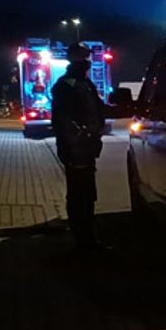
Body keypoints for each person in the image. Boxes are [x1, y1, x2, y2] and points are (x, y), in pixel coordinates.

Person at [51, 41, 108, 252]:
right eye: (81, 57)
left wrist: (128, 108)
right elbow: (62, 120)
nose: (86, 61)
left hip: (87, 149)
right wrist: (76, 144)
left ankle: (88, 238)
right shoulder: (66, 85)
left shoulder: (86, 85)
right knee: (78, 195)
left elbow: (99, 110)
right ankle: (82, 241)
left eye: (87, 57)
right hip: (76, 150)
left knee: (88, 194)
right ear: (72, 59)